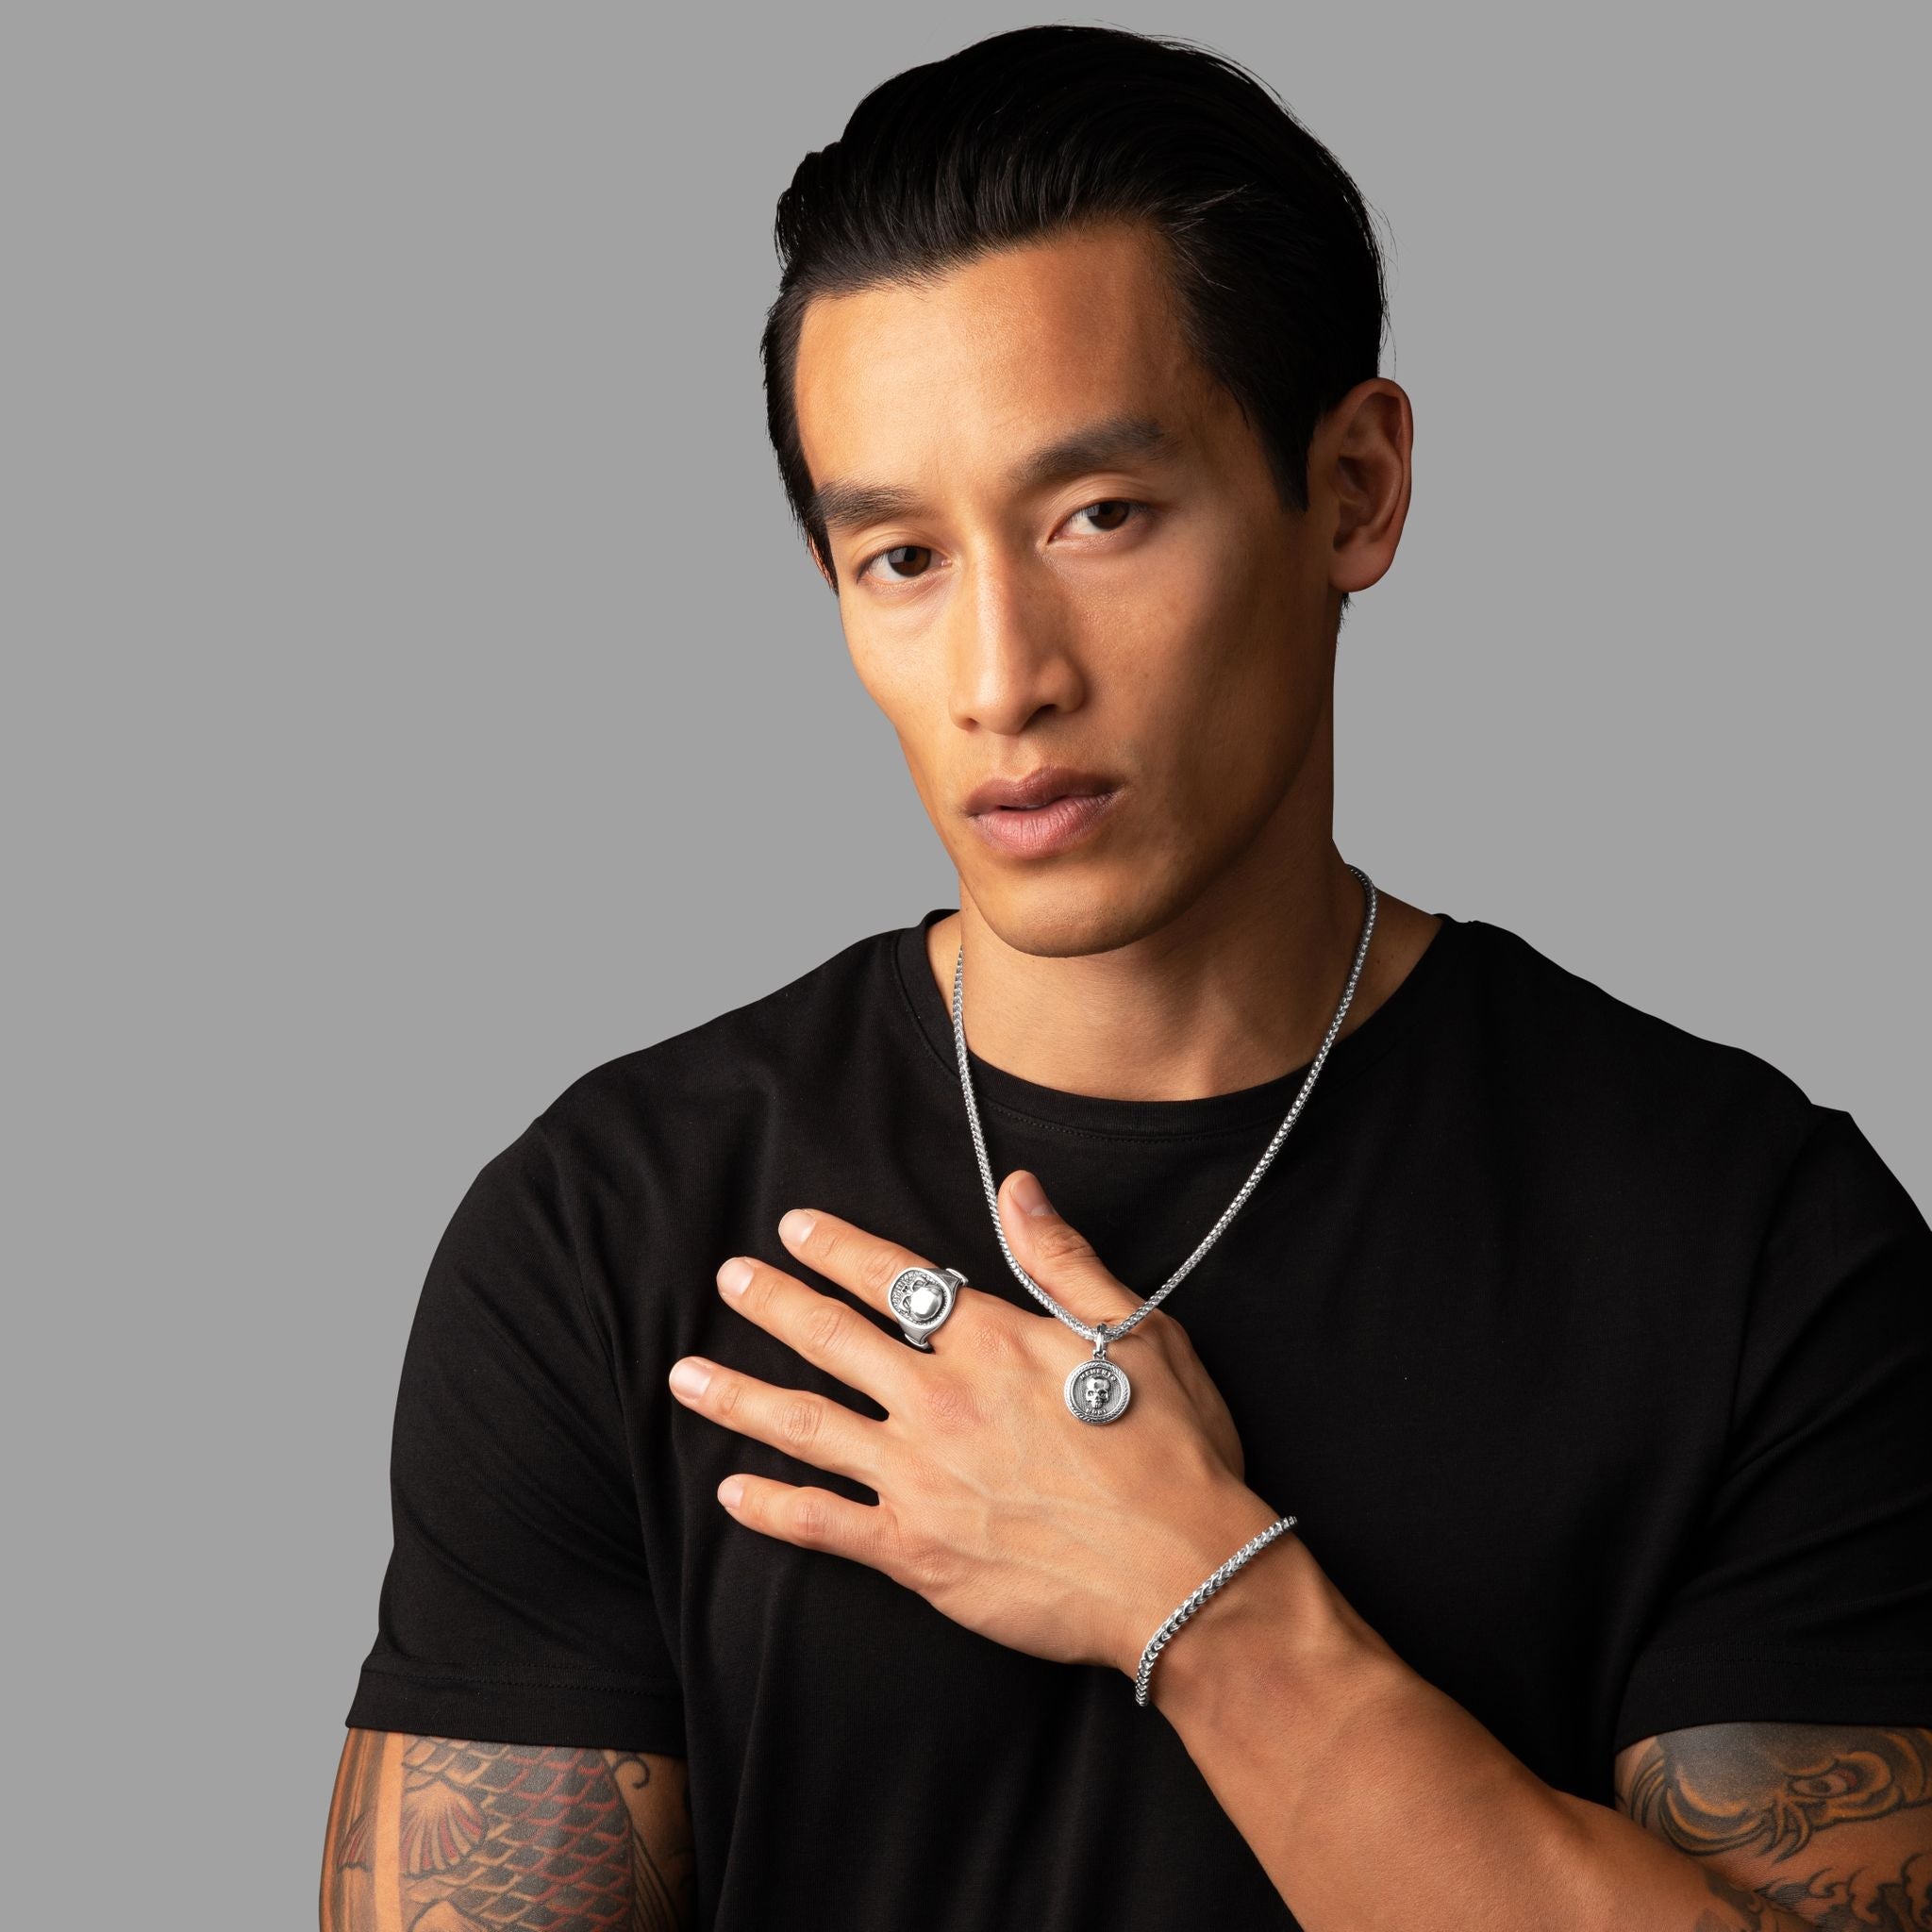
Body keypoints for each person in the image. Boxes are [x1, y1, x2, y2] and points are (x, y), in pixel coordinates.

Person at [320, 25, 1932, 1932]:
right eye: (902, 555)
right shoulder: (612, 1235)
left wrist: (1203, 1599)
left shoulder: (1750, 1240)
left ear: (1350, 489)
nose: (1003, 673)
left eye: (1099, 516)